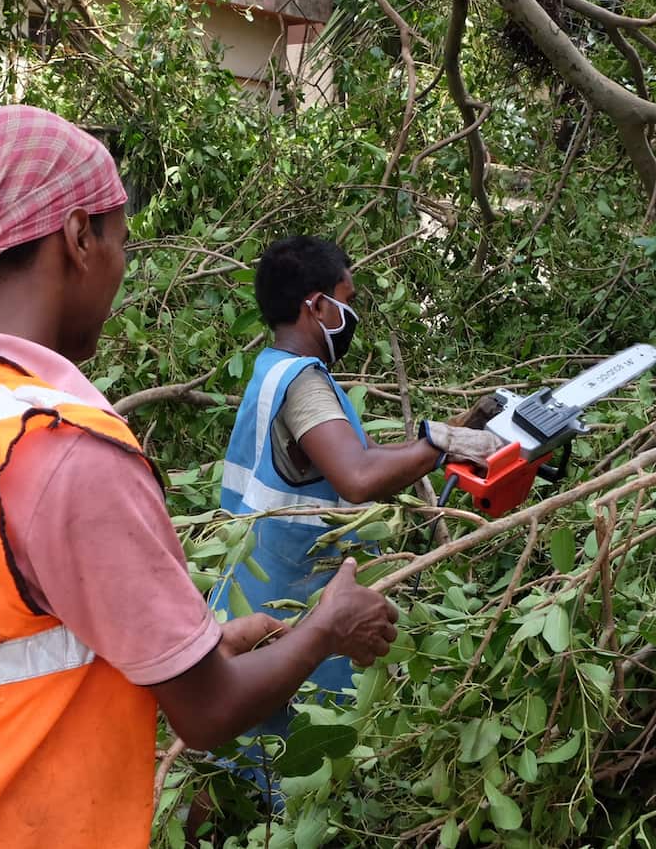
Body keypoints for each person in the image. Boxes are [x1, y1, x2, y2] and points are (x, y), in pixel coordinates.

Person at [0, 107, 398, 849]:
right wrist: (327, 626)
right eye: (120, 241)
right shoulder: (61, 450)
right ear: (78, 237)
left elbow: (4, 625)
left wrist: (200, 639)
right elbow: (208, 713)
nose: (121, 266)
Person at [208, 235, 502, 783]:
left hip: (247, 598)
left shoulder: (271, 370)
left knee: (240, 764)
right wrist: (439, 446)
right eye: (348, 299)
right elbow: (359, 476)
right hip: (294, 605)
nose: (353, 314)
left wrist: (442, 445)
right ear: (316, 305)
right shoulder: (304, 385)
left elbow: (355, 457)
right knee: (295, 768)